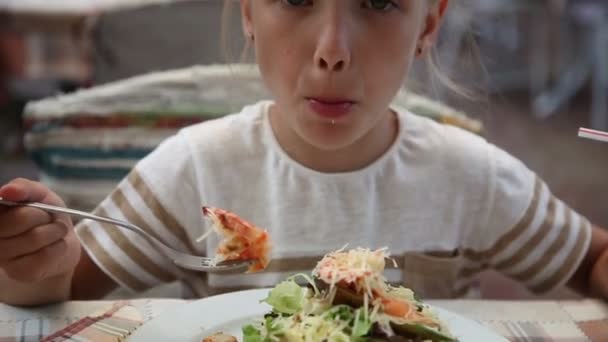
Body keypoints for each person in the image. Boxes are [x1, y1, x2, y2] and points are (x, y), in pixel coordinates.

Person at [1, 0, 608, 306]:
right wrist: (39, 262)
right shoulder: (194, 169)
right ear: (248, 13)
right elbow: (58, 290)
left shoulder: (469, 175)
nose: (332, 51)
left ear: (428, 24)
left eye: (376, 1)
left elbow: (591, 260)